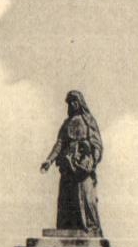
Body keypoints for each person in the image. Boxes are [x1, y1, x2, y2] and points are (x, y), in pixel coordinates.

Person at [40, 90, 104, 233]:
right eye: (70, 103)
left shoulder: (89, 121)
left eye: (74, 101)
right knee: (66, 199)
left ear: (80, 103)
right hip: (67, 165)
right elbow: (59, 143)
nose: (72, 105)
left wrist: (92, 158)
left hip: (83, 166)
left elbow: (97, 143)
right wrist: (49, 160)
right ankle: (67, 228)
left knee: (86, 197)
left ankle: (91, 226)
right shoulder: (66, 123)